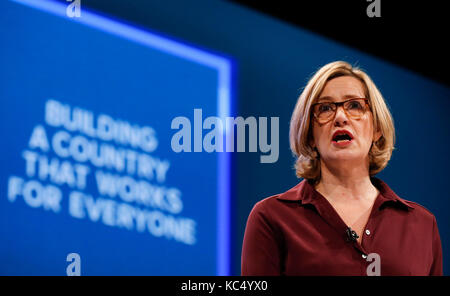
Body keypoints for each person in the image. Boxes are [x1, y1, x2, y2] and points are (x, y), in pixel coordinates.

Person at [241, 61, 443, 276]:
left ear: (376, 129)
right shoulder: (272, 216)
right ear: (310, 134)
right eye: (325, 108)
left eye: (355, 105)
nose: (340, 117)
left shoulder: (422, 223)